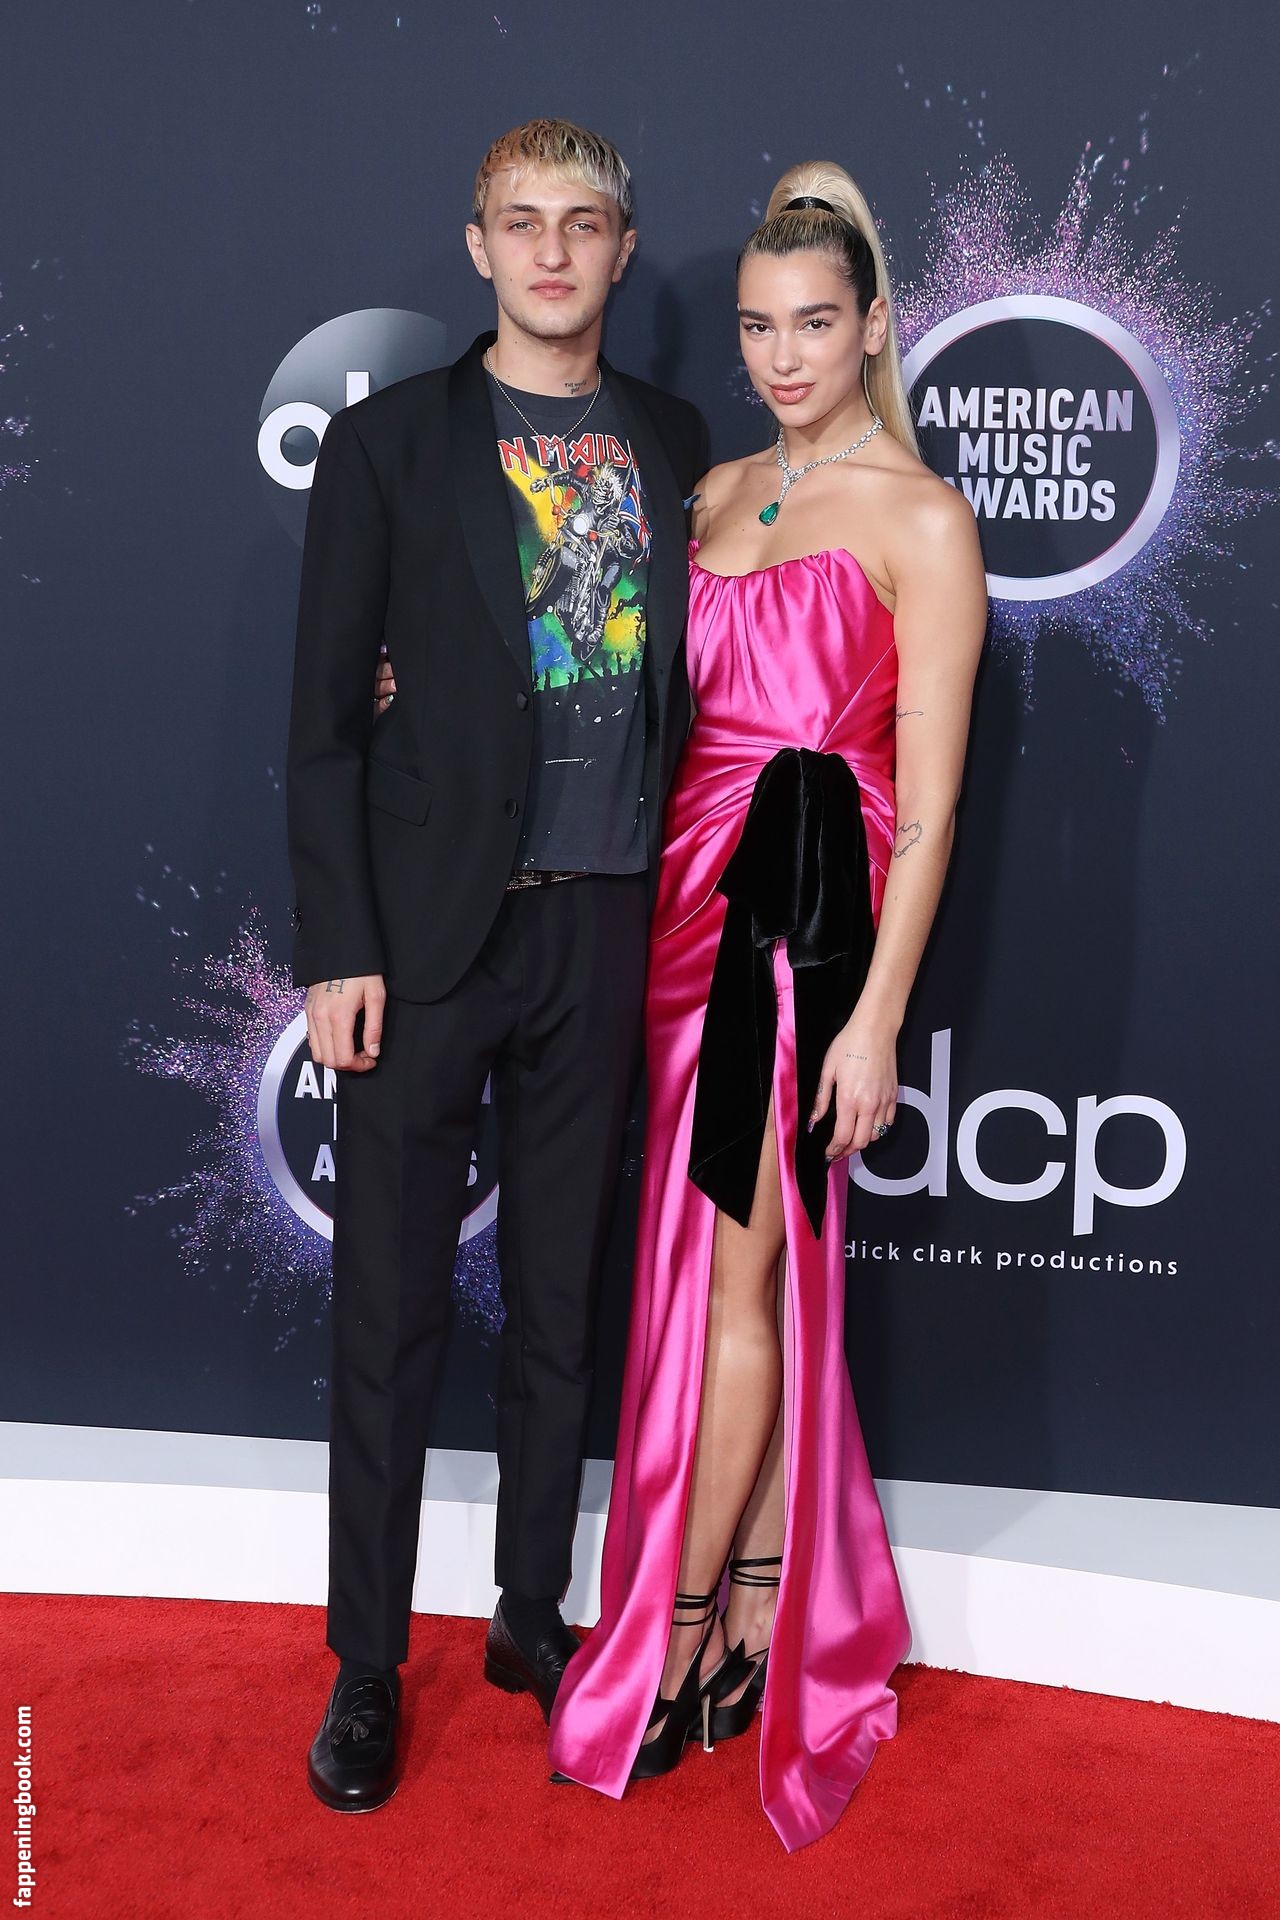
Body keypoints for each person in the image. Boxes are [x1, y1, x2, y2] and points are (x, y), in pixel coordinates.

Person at [544, 162, 988, 1850]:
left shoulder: (923, 520)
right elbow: (603, 673)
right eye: (756, 327)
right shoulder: (714, 491)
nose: (783, 356)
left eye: (815, 324)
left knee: (741, 1276)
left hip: (801, 931)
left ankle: (669, 1635)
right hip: (673, 911)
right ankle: (745, 1598)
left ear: (872, 327)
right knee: (708, 1273)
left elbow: (930, 808)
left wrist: (877, 1018)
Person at [286, 118, 707, 1813]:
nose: (550, 250)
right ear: (478, 247)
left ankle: (532, 1612)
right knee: (389, 1312)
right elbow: (324, 726)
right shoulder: (388, 444)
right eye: (520, 222)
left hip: (601, 924)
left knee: (561, 1302)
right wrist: (339, 944)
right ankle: (366, 1665)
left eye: (581, 223)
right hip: (426, 940)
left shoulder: (677, 441)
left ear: (621, 247)